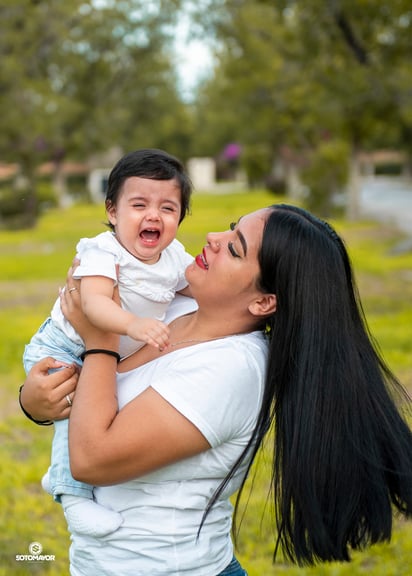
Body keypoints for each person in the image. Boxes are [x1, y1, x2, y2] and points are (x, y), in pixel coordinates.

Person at [20, 204, 412, 575]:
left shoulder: (233, 369)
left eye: (235, 248)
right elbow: (91, 394)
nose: (212, 238)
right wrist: (35, 403)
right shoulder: (171, 309)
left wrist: (100, 339)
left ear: (264, 301)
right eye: (230, 227)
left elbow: (92, 460)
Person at [22, 148, 194, 538]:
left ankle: (58, 472)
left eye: (168, 208)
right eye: (139, 205)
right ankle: (73, 497)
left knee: (100, 403)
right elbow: (94, 305)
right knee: (78, 410)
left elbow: (196, 288)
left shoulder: (173, 257)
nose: (153, 216)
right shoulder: (104, 251)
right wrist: (133, 324)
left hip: (104, 350)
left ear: (179, 219)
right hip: (62, 346)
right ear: (113, 211)